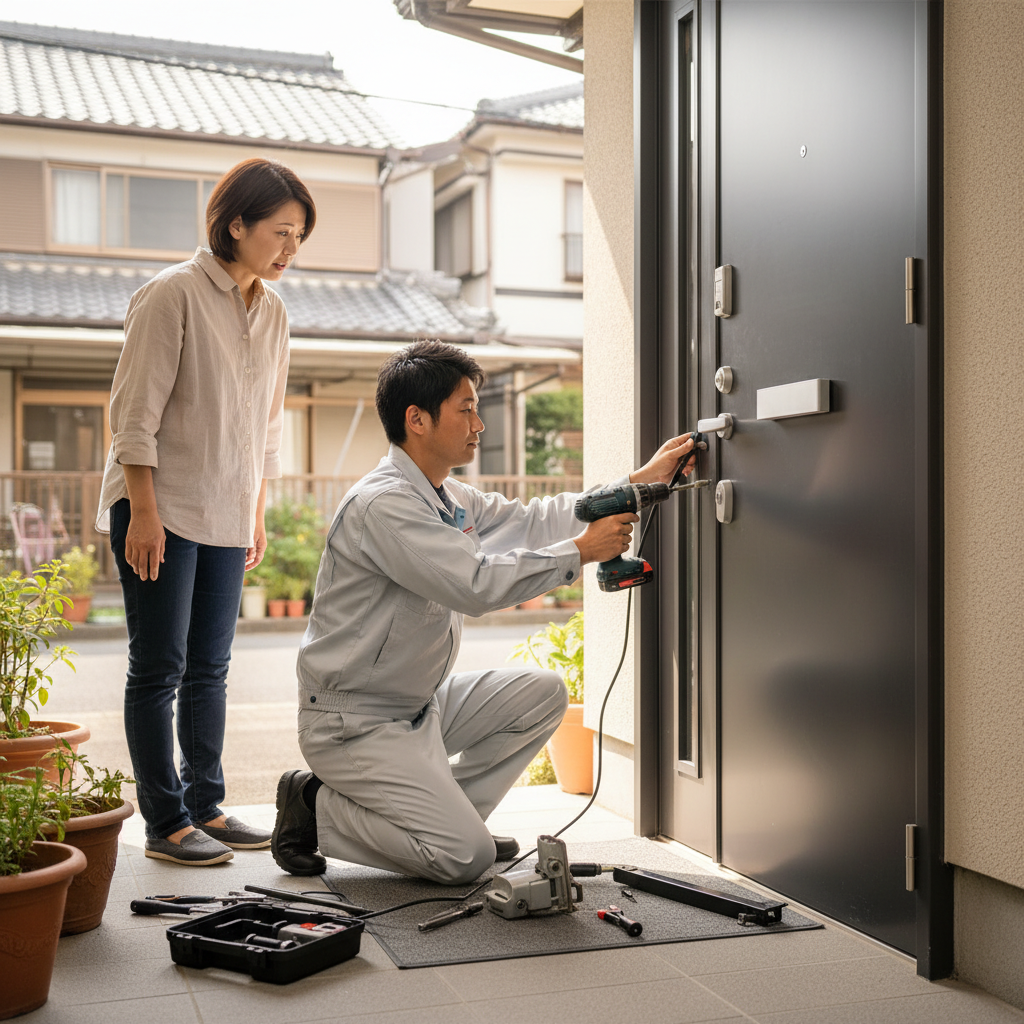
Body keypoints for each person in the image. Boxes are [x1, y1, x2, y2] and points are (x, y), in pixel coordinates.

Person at [272, 340, 698, 885]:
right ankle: (313, 804)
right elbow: (473, 585)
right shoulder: (384, 505)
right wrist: (582, 551)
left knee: (543, 693)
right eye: (466, 408)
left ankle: (455, 822)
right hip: (354, 723)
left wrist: (636, 482)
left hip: (416, 708)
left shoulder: (446, 494)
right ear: (417, 419)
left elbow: (533, 518)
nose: (479, 423)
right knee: (464, 860)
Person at [96, 158, 316, 865]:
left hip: (226, 506)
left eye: (299, 237)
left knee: (210, 668)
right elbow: (133, 414)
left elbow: (267, 424)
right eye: (281, 232)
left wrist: (255, 509)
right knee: (158, 666)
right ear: (236, 225)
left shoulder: (273, 310)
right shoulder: (171, 294)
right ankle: (164, 824)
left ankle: (206, 806)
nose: (289, 249)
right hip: (159, 505)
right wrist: (145, 510)